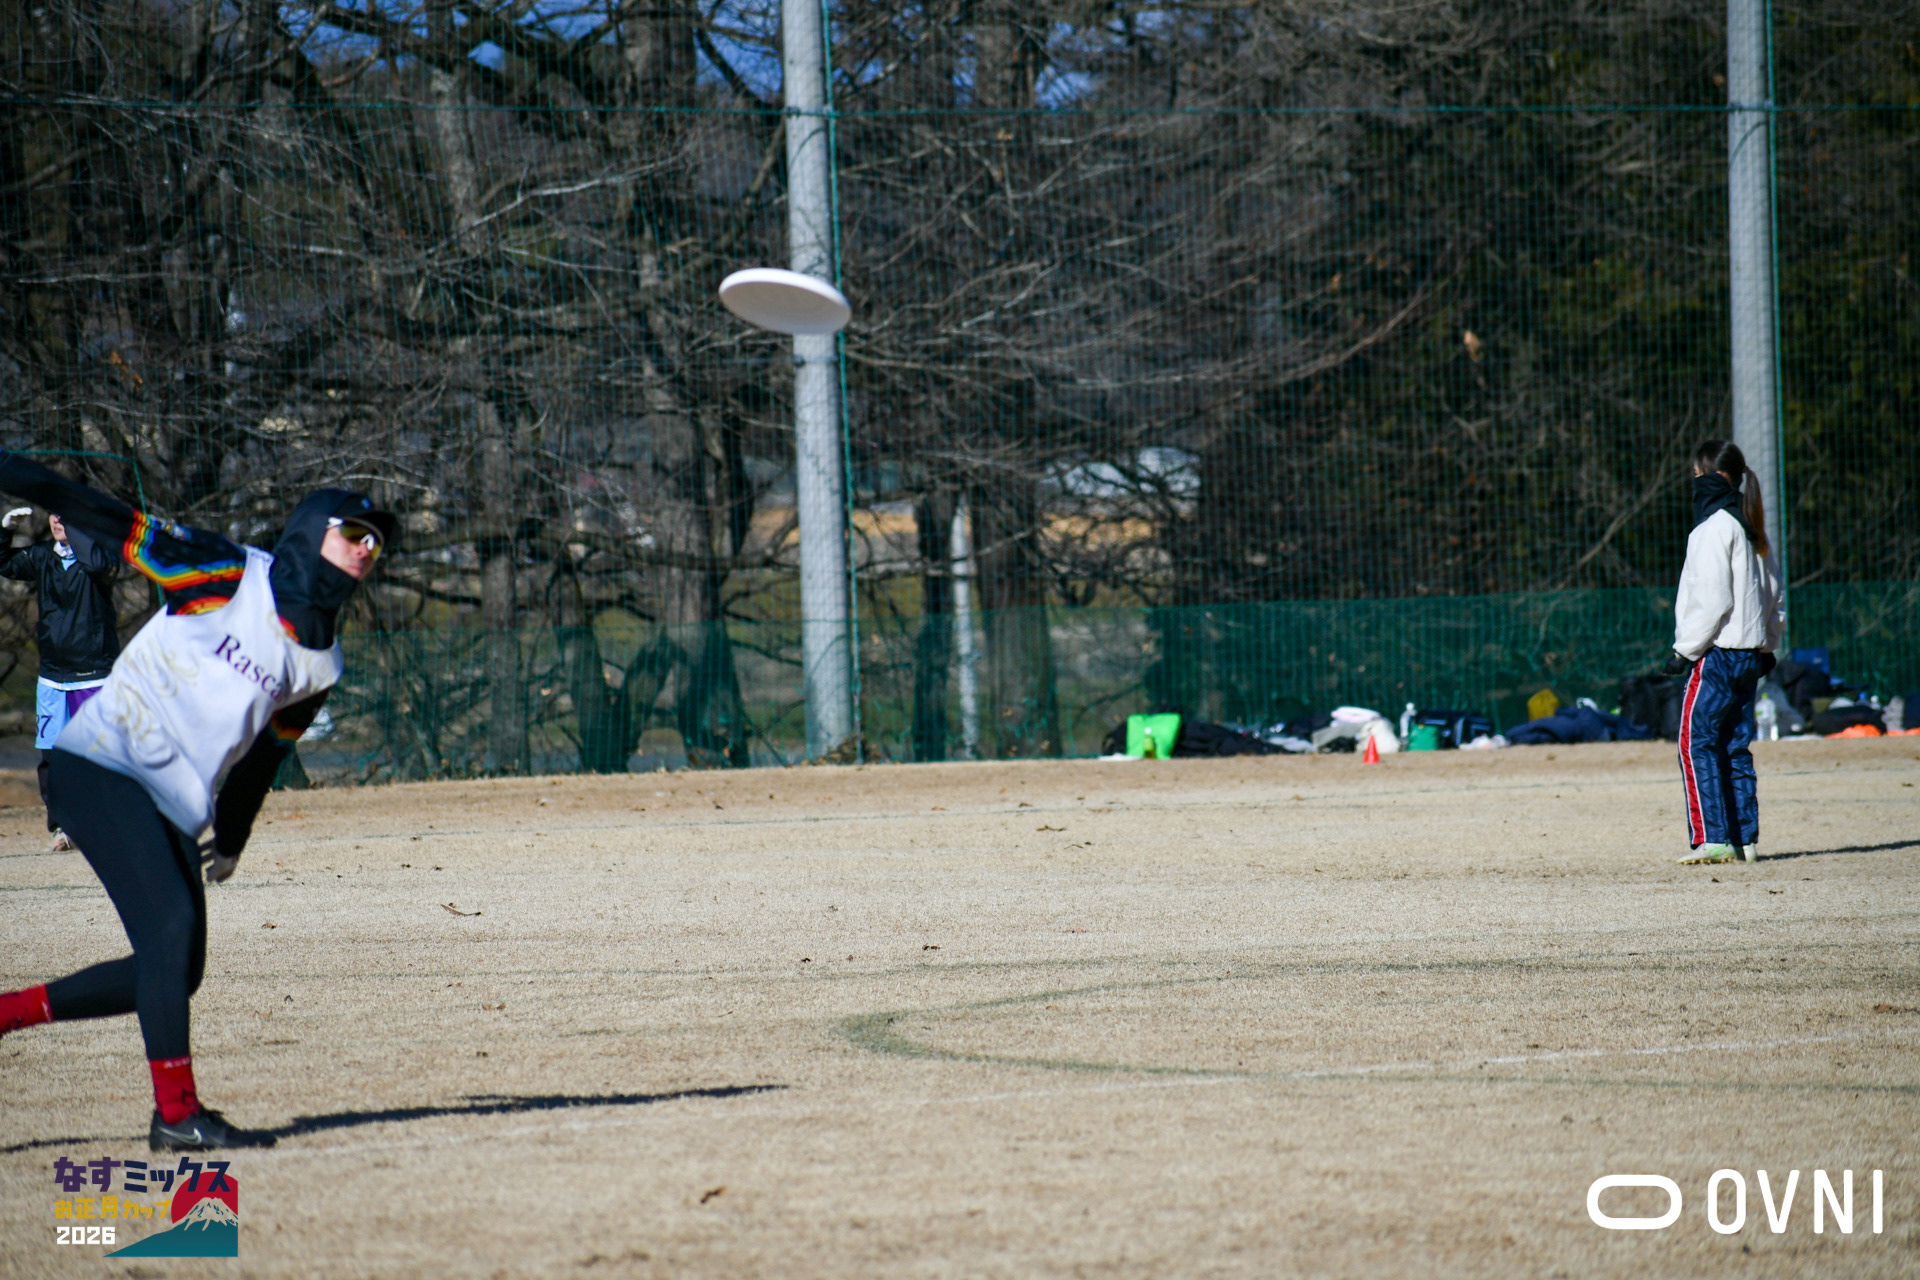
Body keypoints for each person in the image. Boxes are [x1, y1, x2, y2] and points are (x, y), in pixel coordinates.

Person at [0, 450, 395, 1150]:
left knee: (177, 970)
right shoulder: (225, 571)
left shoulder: (322, 661)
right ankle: (177, 1117)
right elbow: (84, 504)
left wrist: (232, 837)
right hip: (100, 763)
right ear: (312, 531)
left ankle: (7, 1014)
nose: (367, 549)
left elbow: (264, 759)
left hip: (172, 800)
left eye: (377, 542)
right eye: (355, 533)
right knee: (171, 934)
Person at [1664, 439, 1784, 866]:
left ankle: (1712, 839)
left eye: (1696, 474)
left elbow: (1712, 599)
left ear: (1711, 477)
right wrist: (1768, 644)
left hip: (1716, 654)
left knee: (1695, 742)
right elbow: (1774, 595)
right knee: (1735, 745)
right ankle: (1743, 840)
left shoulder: (1713, 528)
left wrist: (1684, 651)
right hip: (1750, 656)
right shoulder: (1752, 530)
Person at [1, 505, 122, 849]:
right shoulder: (43, 556)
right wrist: (4, 531)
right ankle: (63, 828)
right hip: (53, 677)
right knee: (53, 756)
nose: (57, 520)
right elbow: (4, 562)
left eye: (66, 513)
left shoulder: (99, 555)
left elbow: (97, 565)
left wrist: (77, 527)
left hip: (94, 675)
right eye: (54, 513)